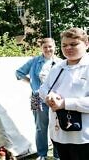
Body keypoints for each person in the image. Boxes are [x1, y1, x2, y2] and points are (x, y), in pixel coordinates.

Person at [39, 28, 89, 160]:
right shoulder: (57, 67)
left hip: (84, 138)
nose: (68, 48)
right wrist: (49, 97)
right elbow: (43, 89)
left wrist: (64, 104)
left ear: (86, 44)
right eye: (64, 45)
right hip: (59, 135)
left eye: (73, 44)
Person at [16, 37, 61, 160]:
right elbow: (18, 73)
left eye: (50, 46)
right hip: (36, 98)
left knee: (57, 127)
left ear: (54, 47)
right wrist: (31, 82)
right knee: (40, 128)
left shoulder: (60, 62)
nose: (48, 49)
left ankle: (57, 155)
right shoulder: (34, 61)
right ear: (41, 48)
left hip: (55, 99)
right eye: (45, 47)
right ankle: (42, 154)